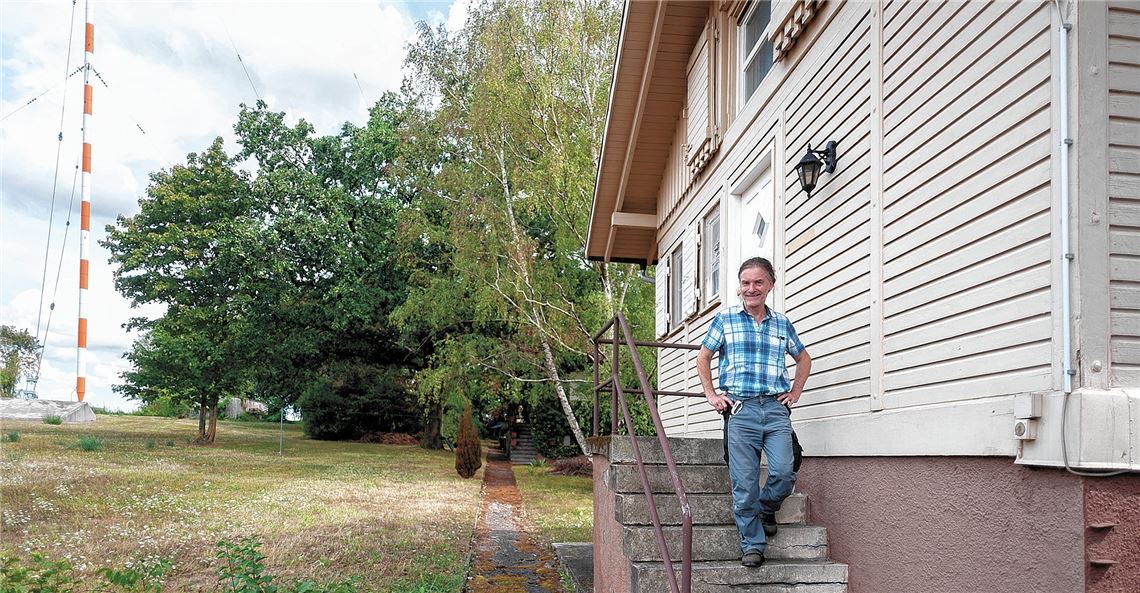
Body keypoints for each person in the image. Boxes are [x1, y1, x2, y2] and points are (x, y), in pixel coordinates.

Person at [696, 256, 812, 568]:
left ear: (770, 285)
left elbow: (804, 359)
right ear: (739, 287)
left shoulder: (782, 324)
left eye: (758, 282)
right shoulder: (725, 320)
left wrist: (795, 392)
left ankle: (766, 508)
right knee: (744, 484)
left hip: (775, 409)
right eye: (746, 283)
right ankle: (752, 544)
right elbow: (703, 357)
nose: (751, 288)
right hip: (741, 410)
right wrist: (711, 394)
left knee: (784, 471)